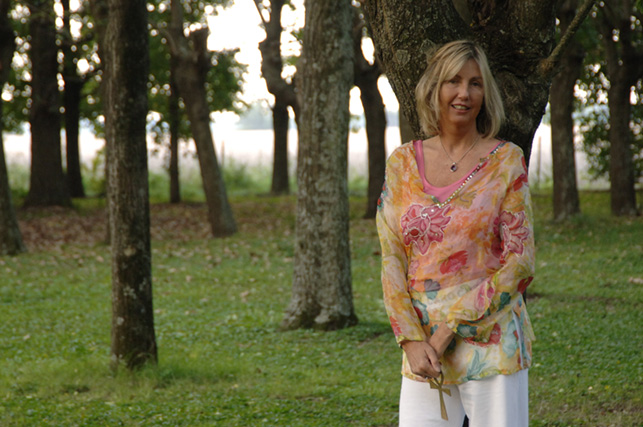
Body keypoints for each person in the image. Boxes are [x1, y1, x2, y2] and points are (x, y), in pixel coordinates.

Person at [376, 40, 535, 427]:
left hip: (491, 342)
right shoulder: (401, 163)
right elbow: (392, 258)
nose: (464, 93)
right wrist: (411, 340)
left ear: (485, 93)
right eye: (454, 81)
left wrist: (449, 329)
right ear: (435, 88)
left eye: (475, 83)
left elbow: (520, 262)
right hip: (422, 351)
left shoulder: (506, 161)